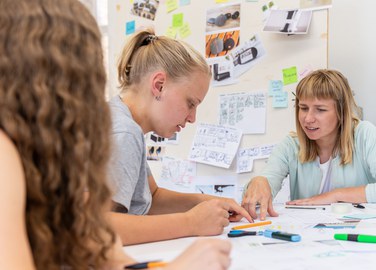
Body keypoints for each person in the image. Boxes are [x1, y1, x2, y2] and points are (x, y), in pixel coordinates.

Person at [0, 0, 231, 269]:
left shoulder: (47, 156)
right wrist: (190, 226)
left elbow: (101, 234)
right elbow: (103, 224)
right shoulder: (121, 129)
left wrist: (205, 205)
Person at [109, 29, 253, 245]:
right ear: (159, 85)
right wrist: (190, 223)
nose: (192, 118)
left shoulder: (122, 121)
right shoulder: (123, 131)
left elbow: (151, 198)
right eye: (190, 103)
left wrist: (212, 202)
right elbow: (96, 228)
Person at [242, 69, 376, 220]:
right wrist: (259, 181)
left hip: (359, 234)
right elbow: (261, 190)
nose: (308, 118)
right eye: (303, 108)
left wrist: (336, 195)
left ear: (341, 112)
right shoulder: (291, 145)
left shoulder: (364, 134)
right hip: (309, 239)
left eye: (320, 109)